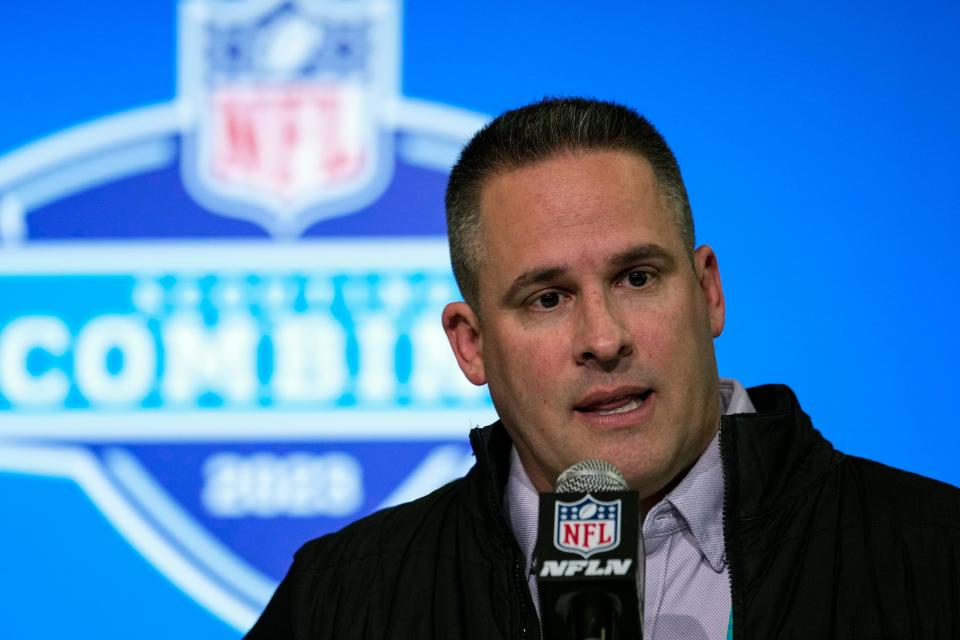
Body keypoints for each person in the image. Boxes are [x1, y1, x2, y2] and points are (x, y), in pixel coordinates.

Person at [245, 98, 960, 639]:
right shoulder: (341, 601)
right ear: (472, 345)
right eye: (548, 298)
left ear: (708, 291)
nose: (604, 337)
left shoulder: (934, 555)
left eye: (637, 278)